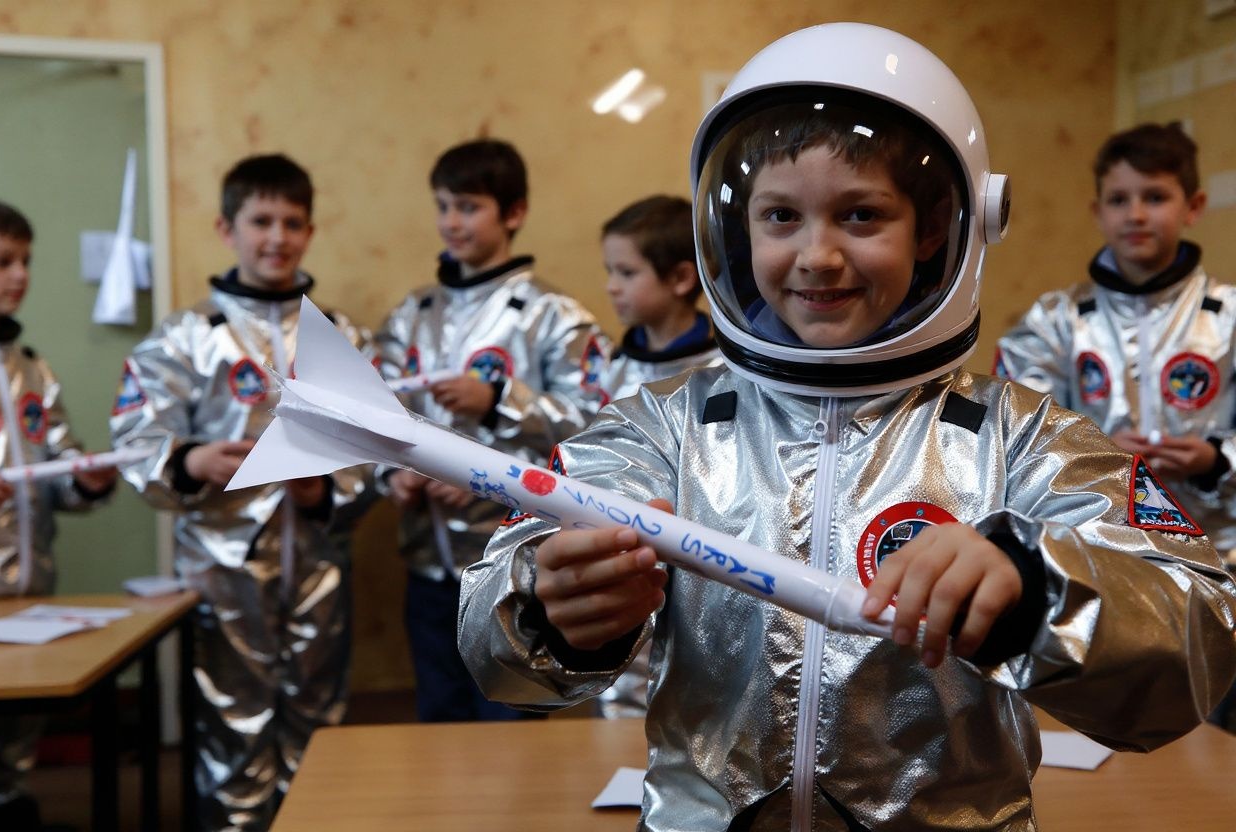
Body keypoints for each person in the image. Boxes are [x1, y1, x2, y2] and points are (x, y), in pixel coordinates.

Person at [457, 24, 1236, 831]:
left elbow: (1202, 642)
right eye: (781, 217)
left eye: (861, 215)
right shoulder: (664, 427)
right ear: (735, 230)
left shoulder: (1022, 438)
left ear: (939, 228)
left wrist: (1037, 587)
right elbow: (490, 634)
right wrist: (550, 606)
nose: (817, 256)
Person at [110, 155, 374, 831]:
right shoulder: (186, 335)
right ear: (227, 227)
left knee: (318, 715)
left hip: (319, 560)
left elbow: (383, 443)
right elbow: (136, 437)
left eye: (292, 223)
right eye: (261, 221)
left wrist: (328, 489)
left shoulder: (340, 334)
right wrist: (192, 457)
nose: (276, 237)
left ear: (310, 231)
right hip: (221, 569)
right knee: (233, 719)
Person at [996, 122, 1236, 731]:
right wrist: (1099, 454)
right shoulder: (1053, 321)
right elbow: (1015, 434)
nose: (1136, 214)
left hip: (1223, 564)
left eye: (1155, 197)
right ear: (1097, 210)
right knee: (1118, 726)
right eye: (1119, 199)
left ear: (1193, 206)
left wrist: (1215, 458)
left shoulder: (1229, 318)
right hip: (1103, 565)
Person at [375, 138, 610, 722]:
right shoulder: (413, 314)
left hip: (514, 564)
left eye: (469, 206)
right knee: (439, 710)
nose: (452, 222)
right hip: (429, 563)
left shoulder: (553, 314)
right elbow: (373, 416)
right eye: (443, 206)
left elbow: (596, 426)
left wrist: (502, 398)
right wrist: (392, 475)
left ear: (514, 213)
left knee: (510, 723)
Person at [0, 198, 118, 832]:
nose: (20, 276)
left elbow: (57, 471)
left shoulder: (33, 370)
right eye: (2, 262)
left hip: (29, 590)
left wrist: (86, 481)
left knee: (14, 741)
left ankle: (8, 802)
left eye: (26, 262)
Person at [595, 194, 721, 718]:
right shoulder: (610, 368)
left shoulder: (721, 372)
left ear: (680, 279)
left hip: (699, 576)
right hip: (622, 560)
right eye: (609, 271)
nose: (611, 286)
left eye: (626, 271)